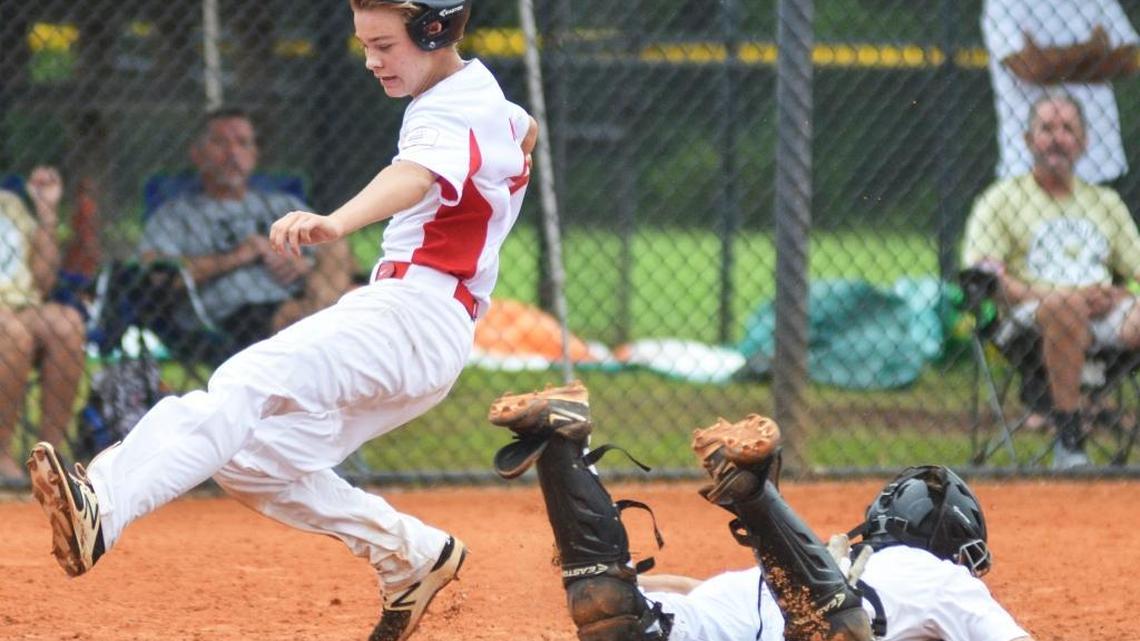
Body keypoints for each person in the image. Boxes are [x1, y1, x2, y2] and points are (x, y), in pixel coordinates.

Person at [26, 3, 536, 641]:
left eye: (383, 44)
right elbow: (526, 132)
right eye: (364, 45)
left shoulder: (447, 106)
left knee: (247, 380)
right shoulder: (484, 100)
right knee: (250, 459)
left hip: (413, 313)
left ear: (434, 32)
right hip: (432, 331)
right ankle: (411, 554)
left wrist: (337, 222)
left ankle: (105, 504)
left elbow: (412, 175)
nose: (372, 60)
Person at [486, 383, 1034, 641]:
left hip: (753, 602)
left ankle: (562, 452)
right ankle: (752, 495)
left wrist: (630, 585)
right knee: (832, 627)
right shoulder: (940, 579)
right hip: (813, 608)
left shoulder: (822, 560)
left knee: (618, 619)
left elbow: (705, 590)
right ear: (951, 544)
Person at [961, 93, 1140, 469]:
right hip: (1029, 320)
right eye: (1047, 129)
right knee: (1065, 306)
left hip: (1105, 316)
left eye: (1068, 129)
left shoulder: (1104, 202)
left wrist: (1118, 293)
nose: (1057, 138)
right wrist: (1059, 296)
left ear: (1084, 142)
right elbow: (986, 276)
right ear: (1028, 140)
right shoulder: (1001, 200)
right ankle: (1070, 439)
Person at [137, 107, 352, 366]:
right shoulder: (175, 214)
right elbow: (158, 275)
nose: (233, 153)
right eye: (220, 143)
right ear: (197, 154)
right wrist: (240, 255)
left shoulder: (282, 203)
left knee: (335, 244)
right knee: (327, 314)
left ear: (255, 154)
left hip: (305, 293)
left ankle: (324, 311)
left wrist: (305, 267)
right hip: (232, 314)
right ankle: (327, 318)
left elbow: (344, 262)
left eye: (243, 143)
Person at [982, 0, 1139, 184]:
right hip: (1030, 168)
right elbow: (1031, 68)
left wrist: (1052, 65)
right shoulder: (1003, 4)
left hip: (1101, 164)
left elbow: (1131, 59)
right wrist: (1092, 50)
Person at [0, 166, 86, 482]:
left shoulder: (9, 203)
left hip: (20, 305)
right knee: (12, 331)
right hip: (7, 320)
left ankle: (49, 456)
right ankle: (1, 456)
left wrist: (46, 211)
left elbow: (44, 280)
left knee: (67, 322)